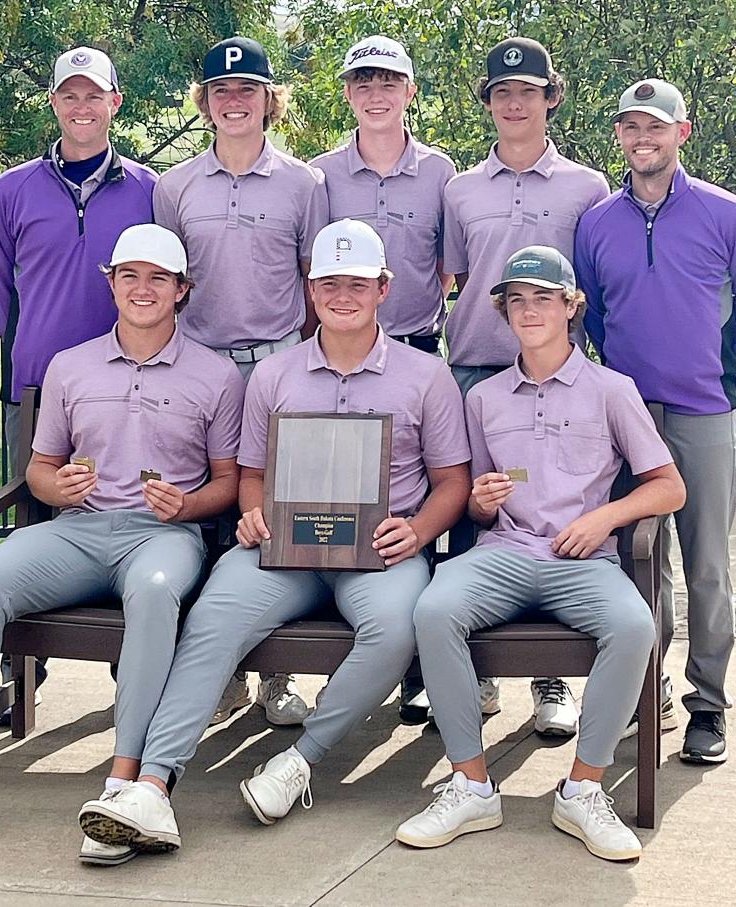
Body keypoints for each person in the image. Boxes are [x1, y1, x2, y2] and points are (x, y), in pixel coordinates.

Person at [75, 219, 472, 854]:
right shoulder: (275, 375)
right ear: (310, 290)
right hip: (282, 550)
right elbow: (252, 473)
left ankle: (300, 760)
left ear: (384, 289)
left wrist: (419, 529)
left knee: (399, 626)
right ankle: (151, 787)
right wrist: (254, 513)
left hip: (379, 553)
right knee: (213, 618)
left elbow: (452, 481)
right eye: (328, 284)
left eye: (357, 285)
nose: (342, 296)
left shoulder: (426, 376)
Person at [0, 225, 245, 865]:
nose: (143, 290)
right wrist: (56, 484)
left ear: (182, 291)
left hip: (164, 537)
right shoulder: (70, 365)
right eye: (130, 276)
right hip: (78, 531)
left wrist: (188, 504)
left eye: (158, 279)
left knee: (157, 591)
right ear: (110, 282)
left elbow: (228, 482)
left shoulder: (217, 376)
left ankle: (123, 789)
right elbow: (39, 468)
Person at [396, 245, 686, 861]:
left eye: (543, 298)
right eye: (517, 300)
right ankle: (471, 784)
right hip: (506, 552)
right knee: (433, 609)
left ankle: (582, 791)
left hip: (584, 560)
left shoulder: (612, 390)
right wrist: (480, 498)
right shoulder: (485, 398)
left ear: (570, 307)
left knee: (635, 626)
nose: (529, 310)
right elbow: (475, 507)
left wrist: (605, 516)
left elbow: (669, 486)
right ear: (503, 312)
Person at [575, 79, 736, 763]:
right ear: (620, 136)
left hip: (704, 414)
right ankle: (649, 691)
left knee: (708, 566)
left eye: (655, 128)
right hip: (630, 418)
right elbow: (594, 313)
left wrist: (716, 366)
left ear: (681, 133)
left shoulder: (726, 214)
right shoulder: (599, 222)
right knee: (642, 564)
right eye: (630, 127)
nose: (643, 140)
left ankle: (709, 706)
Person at [154, 36, 330, 726]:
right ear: (205, 104)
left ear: (269, 102)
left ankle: (275, 676)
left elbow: (315, 285)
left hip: (277, 362)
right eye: (221, 92)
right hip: (198, 364)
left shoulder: (303, 183)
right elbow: (167, 283)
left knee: (270, 519)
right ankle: (216, 672)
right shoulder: (175, 187)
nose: (235, 102)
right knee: (205, 518)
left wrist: (305, 363)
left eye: (248, 91)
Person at [441, 36, 611, 736]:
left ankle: (549, 681)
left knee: (547, 523)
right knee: (473, 519)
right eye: (502, 92)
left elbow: (593, 287)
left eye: (529, 90)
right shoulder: (459, 189)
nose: (515, 102)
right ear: (489, 103)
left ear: (551, 97)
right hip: (474, 369)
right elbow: (456, 278)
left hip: (552, 375)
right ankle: (473, 672)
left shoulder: (587, 186)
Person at [0, 46, 157, 713]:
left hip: (132, 384)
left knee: (126, 517)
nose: (82, 108)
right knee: (32, 519)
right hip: (37, 388)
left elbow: (158, 287)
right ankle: (20, 667)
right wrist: (39, 357)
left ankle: (129, 670)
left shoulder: (147, 189)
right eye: (69, 96)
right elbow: (3, 292)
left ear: (116, 103)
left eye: (95, 96)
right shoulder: (13, 189)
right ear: (53, 103)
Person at [310, 34, 458, 723]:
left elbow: (447, 267)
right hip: (336, 358)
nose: (375, 92)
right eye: (362, 81)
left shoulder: (440, 171)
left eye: (388, 81)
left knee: (416, 509)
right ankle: (331, 657)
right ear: (347, 93)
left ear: (410, 91)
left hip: (414, 354)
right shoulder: (321, 175)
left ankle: (415, 670)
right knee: (335, 508)